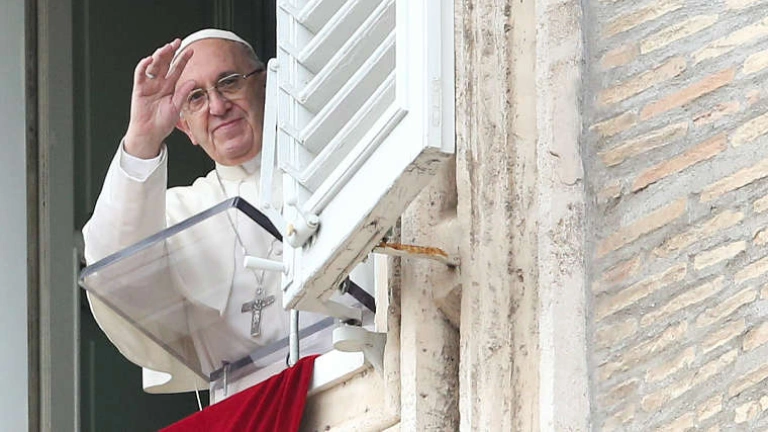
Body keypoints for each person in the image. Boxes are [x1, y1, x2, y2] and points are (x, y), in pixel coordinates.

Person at [82, 29, 325, 395]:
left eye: (229, 82)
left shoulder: (328, 171)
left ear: (267, 87)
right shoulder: (180, 212)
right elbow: (115, 275)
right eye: (195, 97)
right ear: (186, 127)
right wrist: (143, 138)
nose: (217, 106)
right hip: (244, 405)